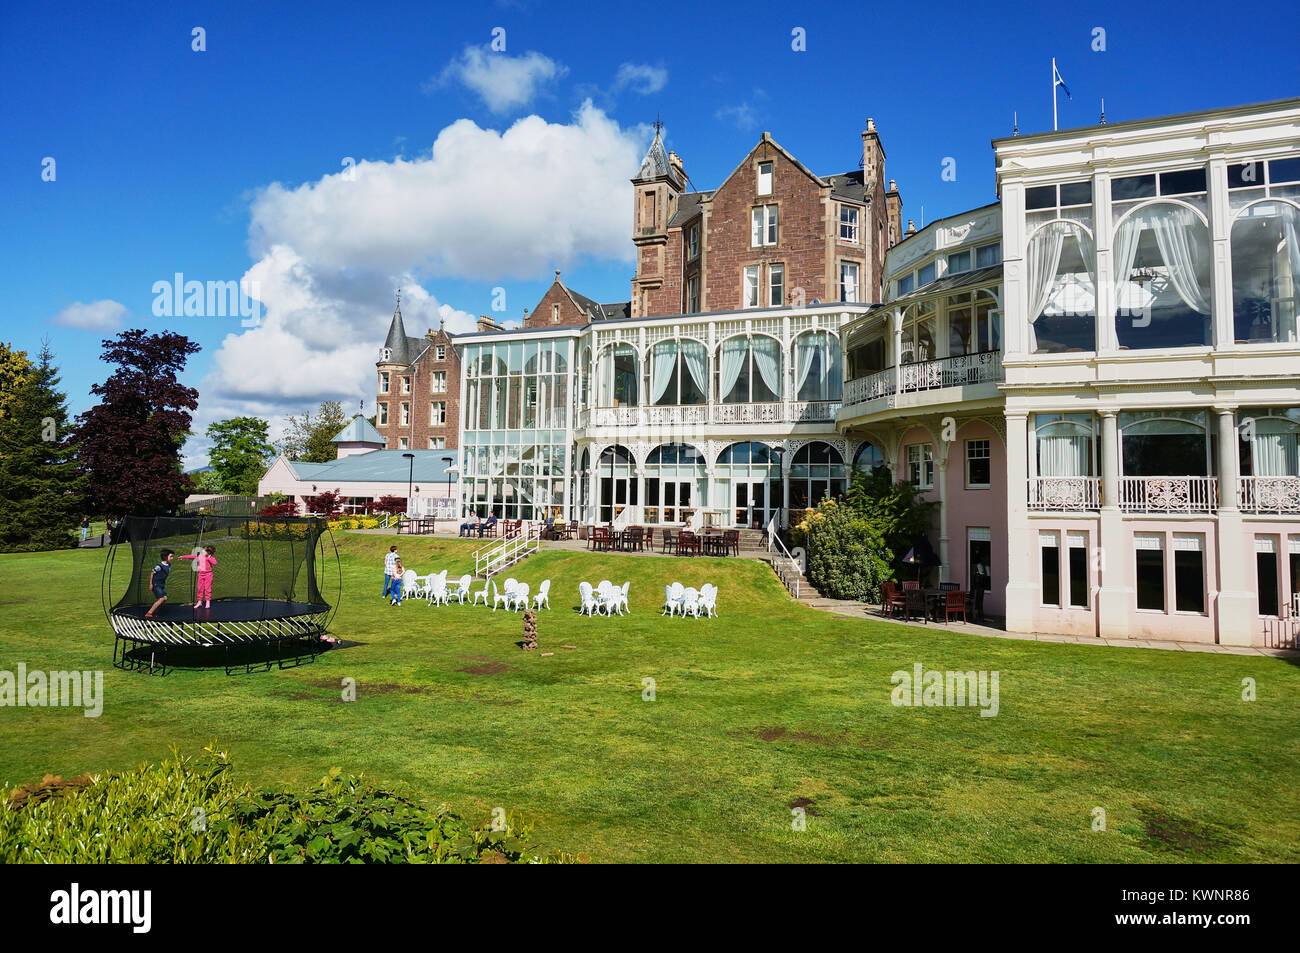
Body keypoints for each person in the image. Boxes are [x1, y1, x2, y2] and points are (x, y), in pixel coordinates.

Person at [180, 545, 218, 609]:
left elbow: (215, 563)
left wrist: (208, 557)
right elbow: (192, 556)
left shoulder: (210, 557)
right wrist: (183, 557)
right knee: (200, 588)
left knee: (207, 589)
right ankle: (199, 602)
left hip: (208, 575)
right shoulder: (200, 556)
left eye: (204, 550)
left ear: (209, 552)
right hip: (201, 575)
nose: (202, 551)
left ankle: (207, 602)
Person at [144, 549, 175, 618]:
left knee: (165, 598)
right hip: (156, 584)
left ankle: (156, 612)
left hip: (161, 584)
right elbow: (152, 574)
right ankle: (149, 613)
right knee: (162, 599)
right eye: (171, 556)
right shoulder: (159, 566)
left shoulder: (169, 565)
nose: (172, 558)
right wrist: (150, 584)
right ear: (165, 557)